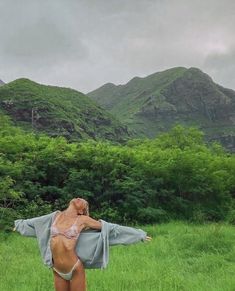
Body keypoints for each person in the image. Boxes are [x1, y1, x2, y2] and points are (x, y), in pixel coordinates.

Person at [13, 197, 152, 291]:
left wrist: (138, 234)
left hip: (74, 268)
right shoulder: (55, 216)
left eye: (84, 202)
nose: (80, 198)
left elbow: (111, 228)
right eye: (79, 198)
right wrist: (19, 225)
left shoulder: (83, 219)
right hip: (57, 269)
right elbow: (34, 224)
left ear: (81, 210)